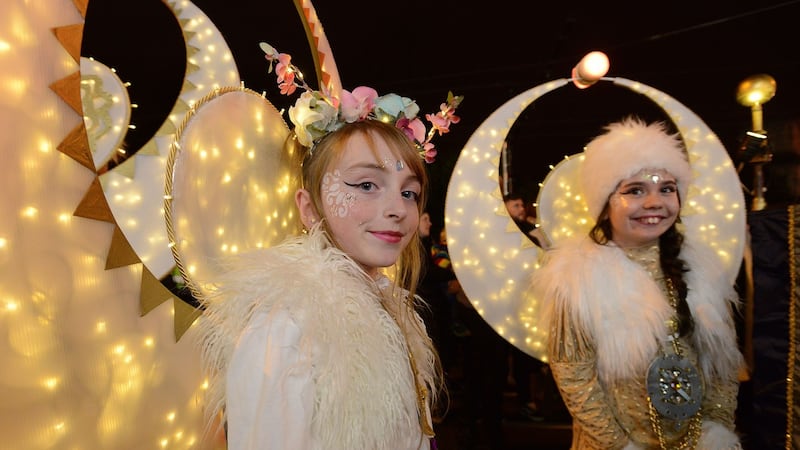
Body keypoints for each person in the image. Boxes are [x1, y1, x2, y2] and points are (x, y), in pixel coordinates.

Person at [195, 42, 462, 449]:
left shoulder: (393, 310)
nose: (397, 209)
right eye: (367, 185)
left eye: (409, 193)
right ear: (309, 207)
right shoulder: (285, 328)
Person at [531, 117, 744, 449]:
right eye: (635, 190)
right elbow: (575, 379)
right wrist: (620, 445)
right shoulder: (576, 279)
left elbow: (721, 367)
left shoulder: (702, 270)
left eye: (667, 189)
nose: (654, 202)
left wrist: (716, 432)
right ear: (604, 205)